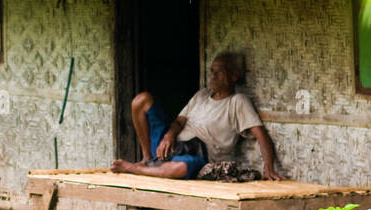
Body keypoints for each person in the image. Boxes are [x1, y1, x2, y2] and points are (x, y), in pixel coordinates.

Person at [110, 52, 286, 180]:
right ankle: (147, 159)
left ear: (234, 76)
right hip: (169, 147)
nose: (213, 75)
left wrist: (268, 167)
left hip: (197, 155)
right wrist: (168, 136)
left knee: (178, 169)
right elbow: (179, 122)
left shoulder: (237, 102)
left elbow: (261, 135)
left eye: (220, 71)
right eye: (212, 71)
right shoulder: (201, 95)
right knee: (141, 100)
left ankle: (133, 168)